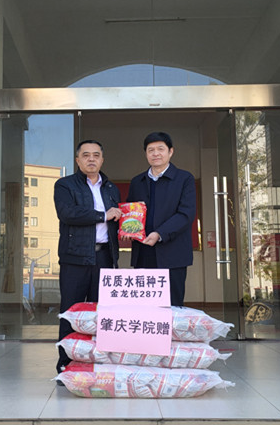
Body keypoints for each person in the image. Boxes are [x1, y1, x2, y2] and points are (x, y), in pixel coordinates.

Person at [53, 140, 122, 375]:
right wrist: (103, 215)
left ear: (102, 159)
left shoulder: (111, 188)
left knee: (101, 314)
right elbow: (67, 213)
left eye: (96, 155)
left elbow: (117, 218)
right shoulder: (65, 185)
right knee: (71, 312)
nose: (91, 159)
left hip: (104, 258)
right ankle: (66, 365)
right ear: (77, 160)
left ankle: (97, 363)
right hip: (75, 257)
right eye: (86, 155)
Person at [126, 131, 196, 307]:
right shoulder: (137, 181)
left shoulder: (184, 179)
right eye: (151, 150)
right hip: (144, 252)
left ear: (170, 152)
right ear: (146, 153)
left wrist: (160, 233)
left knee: (171, 306)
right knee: (144, 306)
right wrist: (128, 229)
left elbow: (186, 214)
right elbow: (130, 212)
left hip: (173, 253)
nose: (155, 153)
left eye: (160, 149)